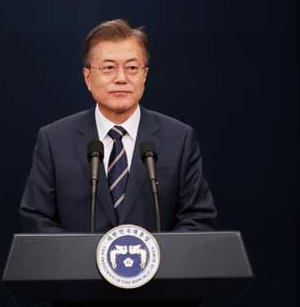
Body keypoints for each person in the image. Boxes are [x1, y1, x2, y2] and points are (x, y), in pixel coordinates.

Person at [19, 19, 218, 233]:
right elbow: (36, 219)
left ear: (145, 75)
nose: (121, 78)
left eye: (132, 68)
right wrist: (83, 261)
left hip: (160, 266)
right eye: (108, 68)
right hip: (76, 266)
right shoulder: (54, 140)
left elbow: (198, 218)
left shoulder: (179, 139)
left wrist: (155, 261)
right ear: (88, 78)